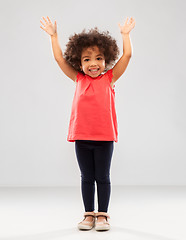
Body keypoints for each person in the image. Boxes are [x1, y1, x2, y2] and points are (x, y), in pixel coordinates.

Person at [40, 16, 136, 231]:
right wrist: (54, 36)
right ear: (79, 62)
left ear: (106, 60)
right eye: (86, 60)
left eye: (99, 58)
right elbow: (59, 60)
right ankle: (88, 214)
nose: (93, 63)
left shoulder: (110, 78)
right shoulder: (79, 79)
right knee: (86, 177)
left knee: (102, 177)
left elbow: (127, 55)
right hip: (82, 138)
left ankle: (102, 215)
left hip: (104, 139)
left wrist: (125, 35)